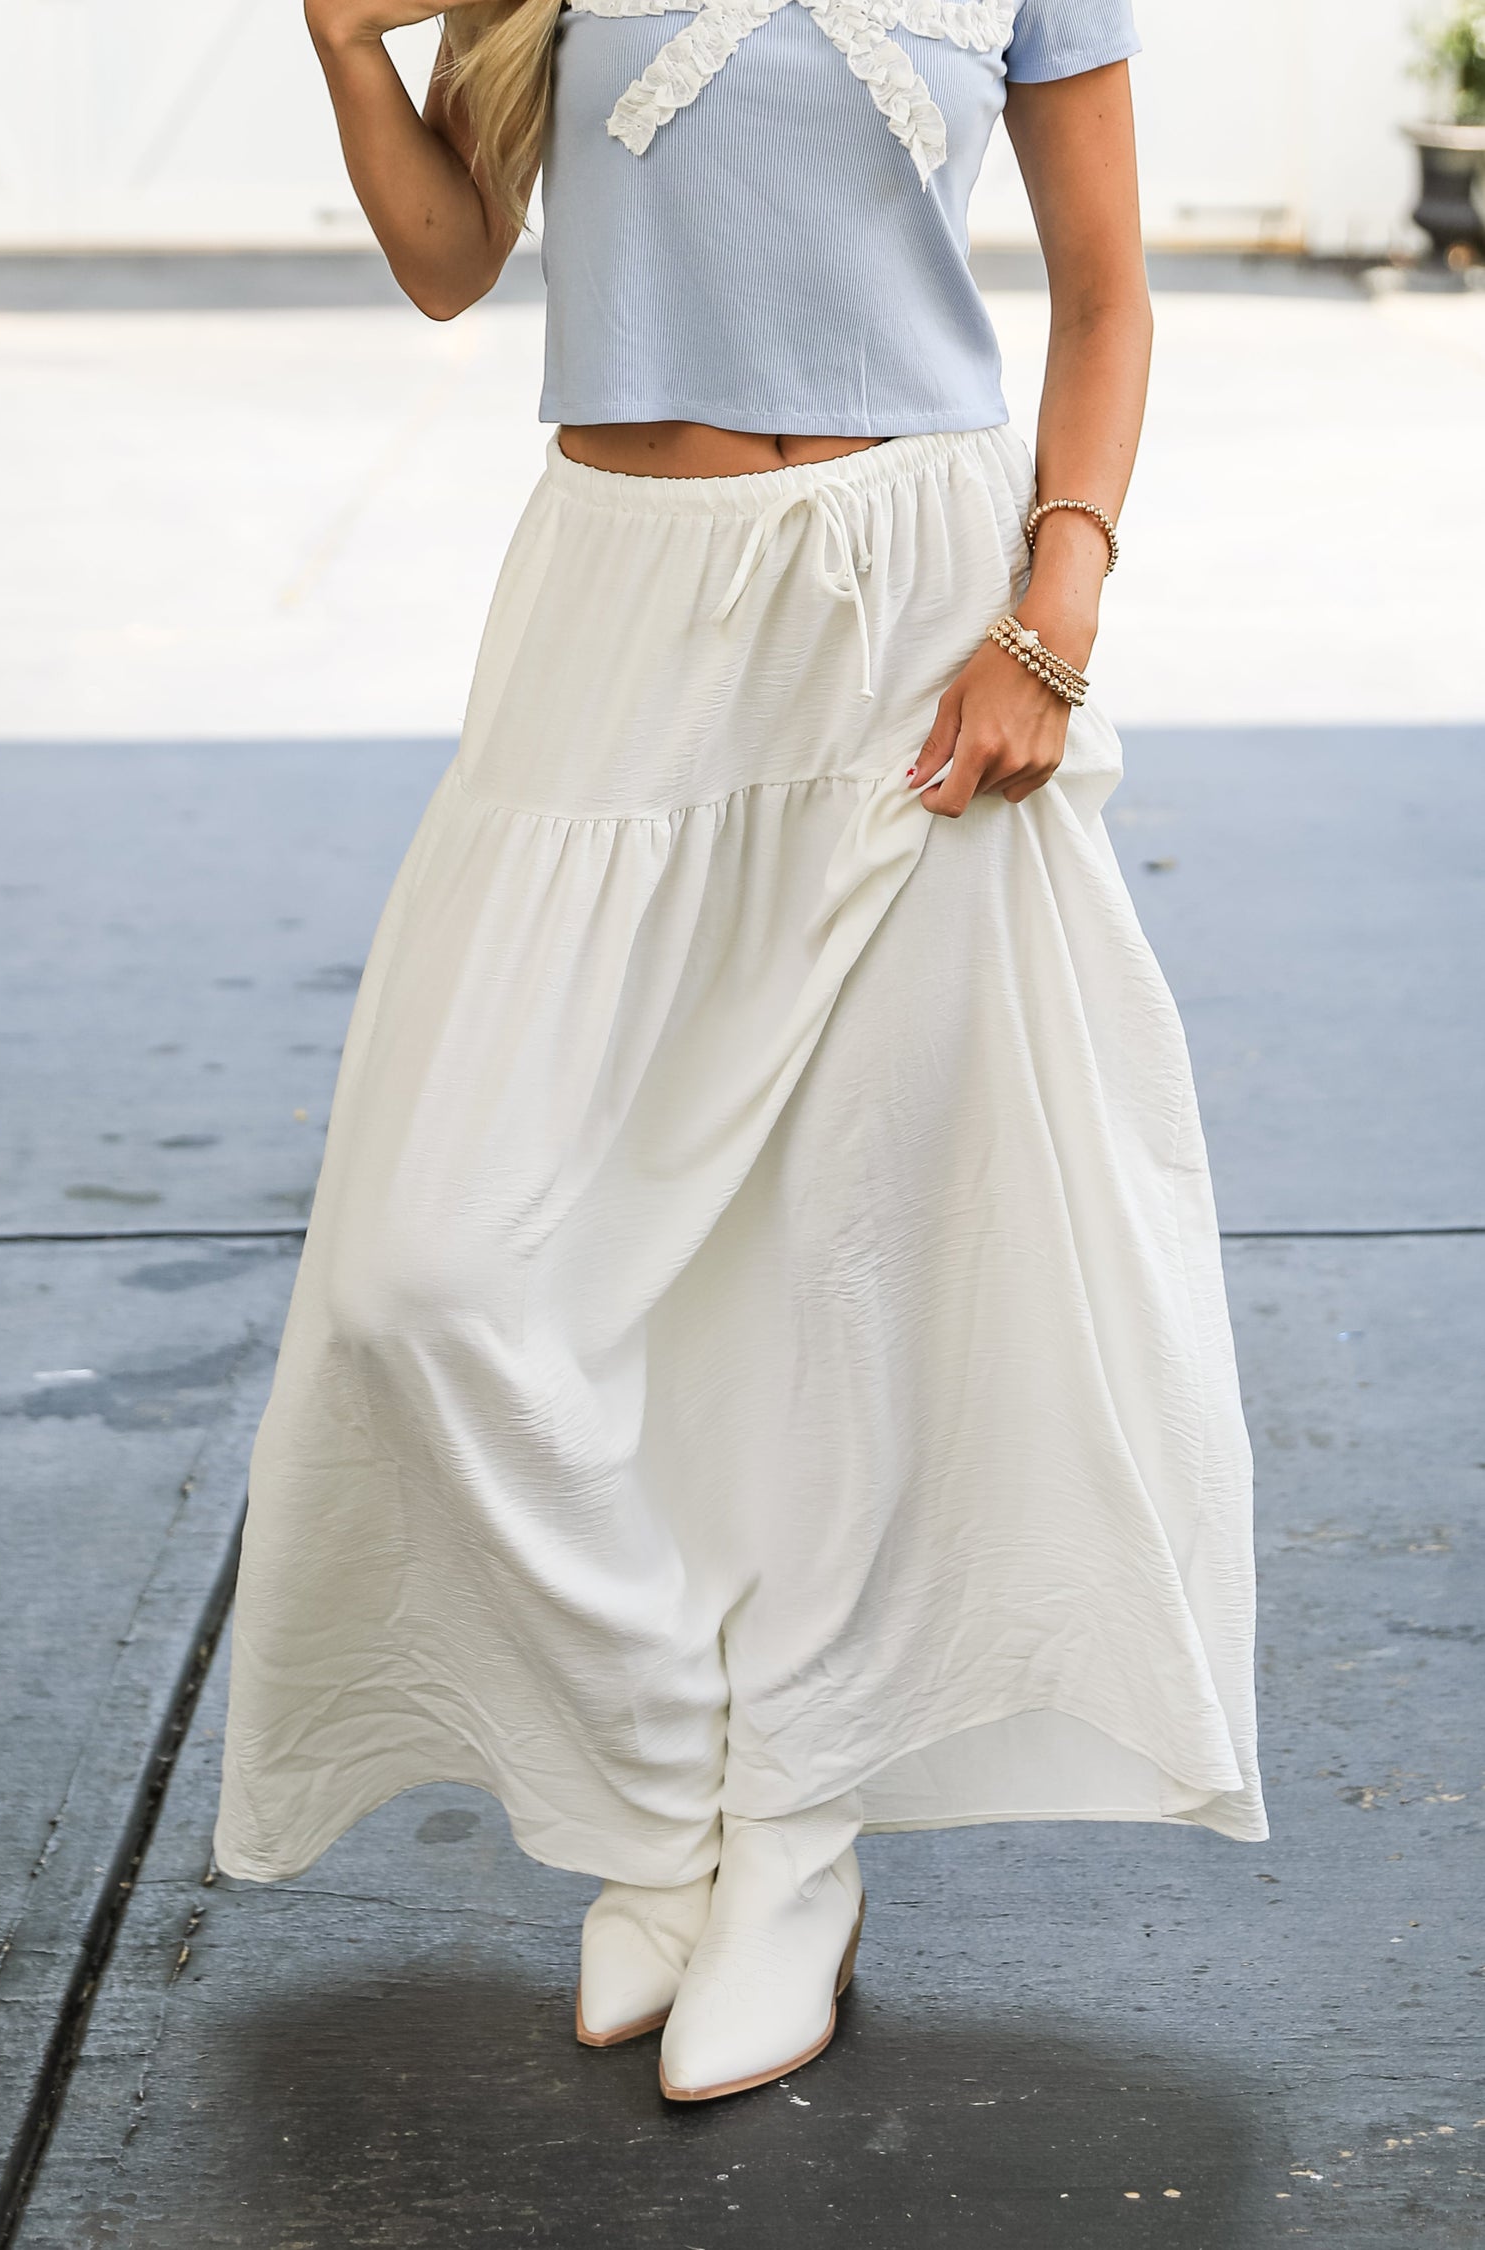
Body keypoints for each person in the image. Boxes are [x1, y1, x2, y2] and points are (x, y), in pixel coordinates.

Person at [214, 0, 1267, 2104]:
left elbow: (1107, 290)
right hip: (614, 619)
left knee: (850, 1265)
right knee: (439, 1276)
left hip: (910, 612)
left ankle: (792, 1837)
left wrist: (1049, 618)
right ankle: (662, 1779)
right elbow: (448, 258)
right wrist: (342, 45)